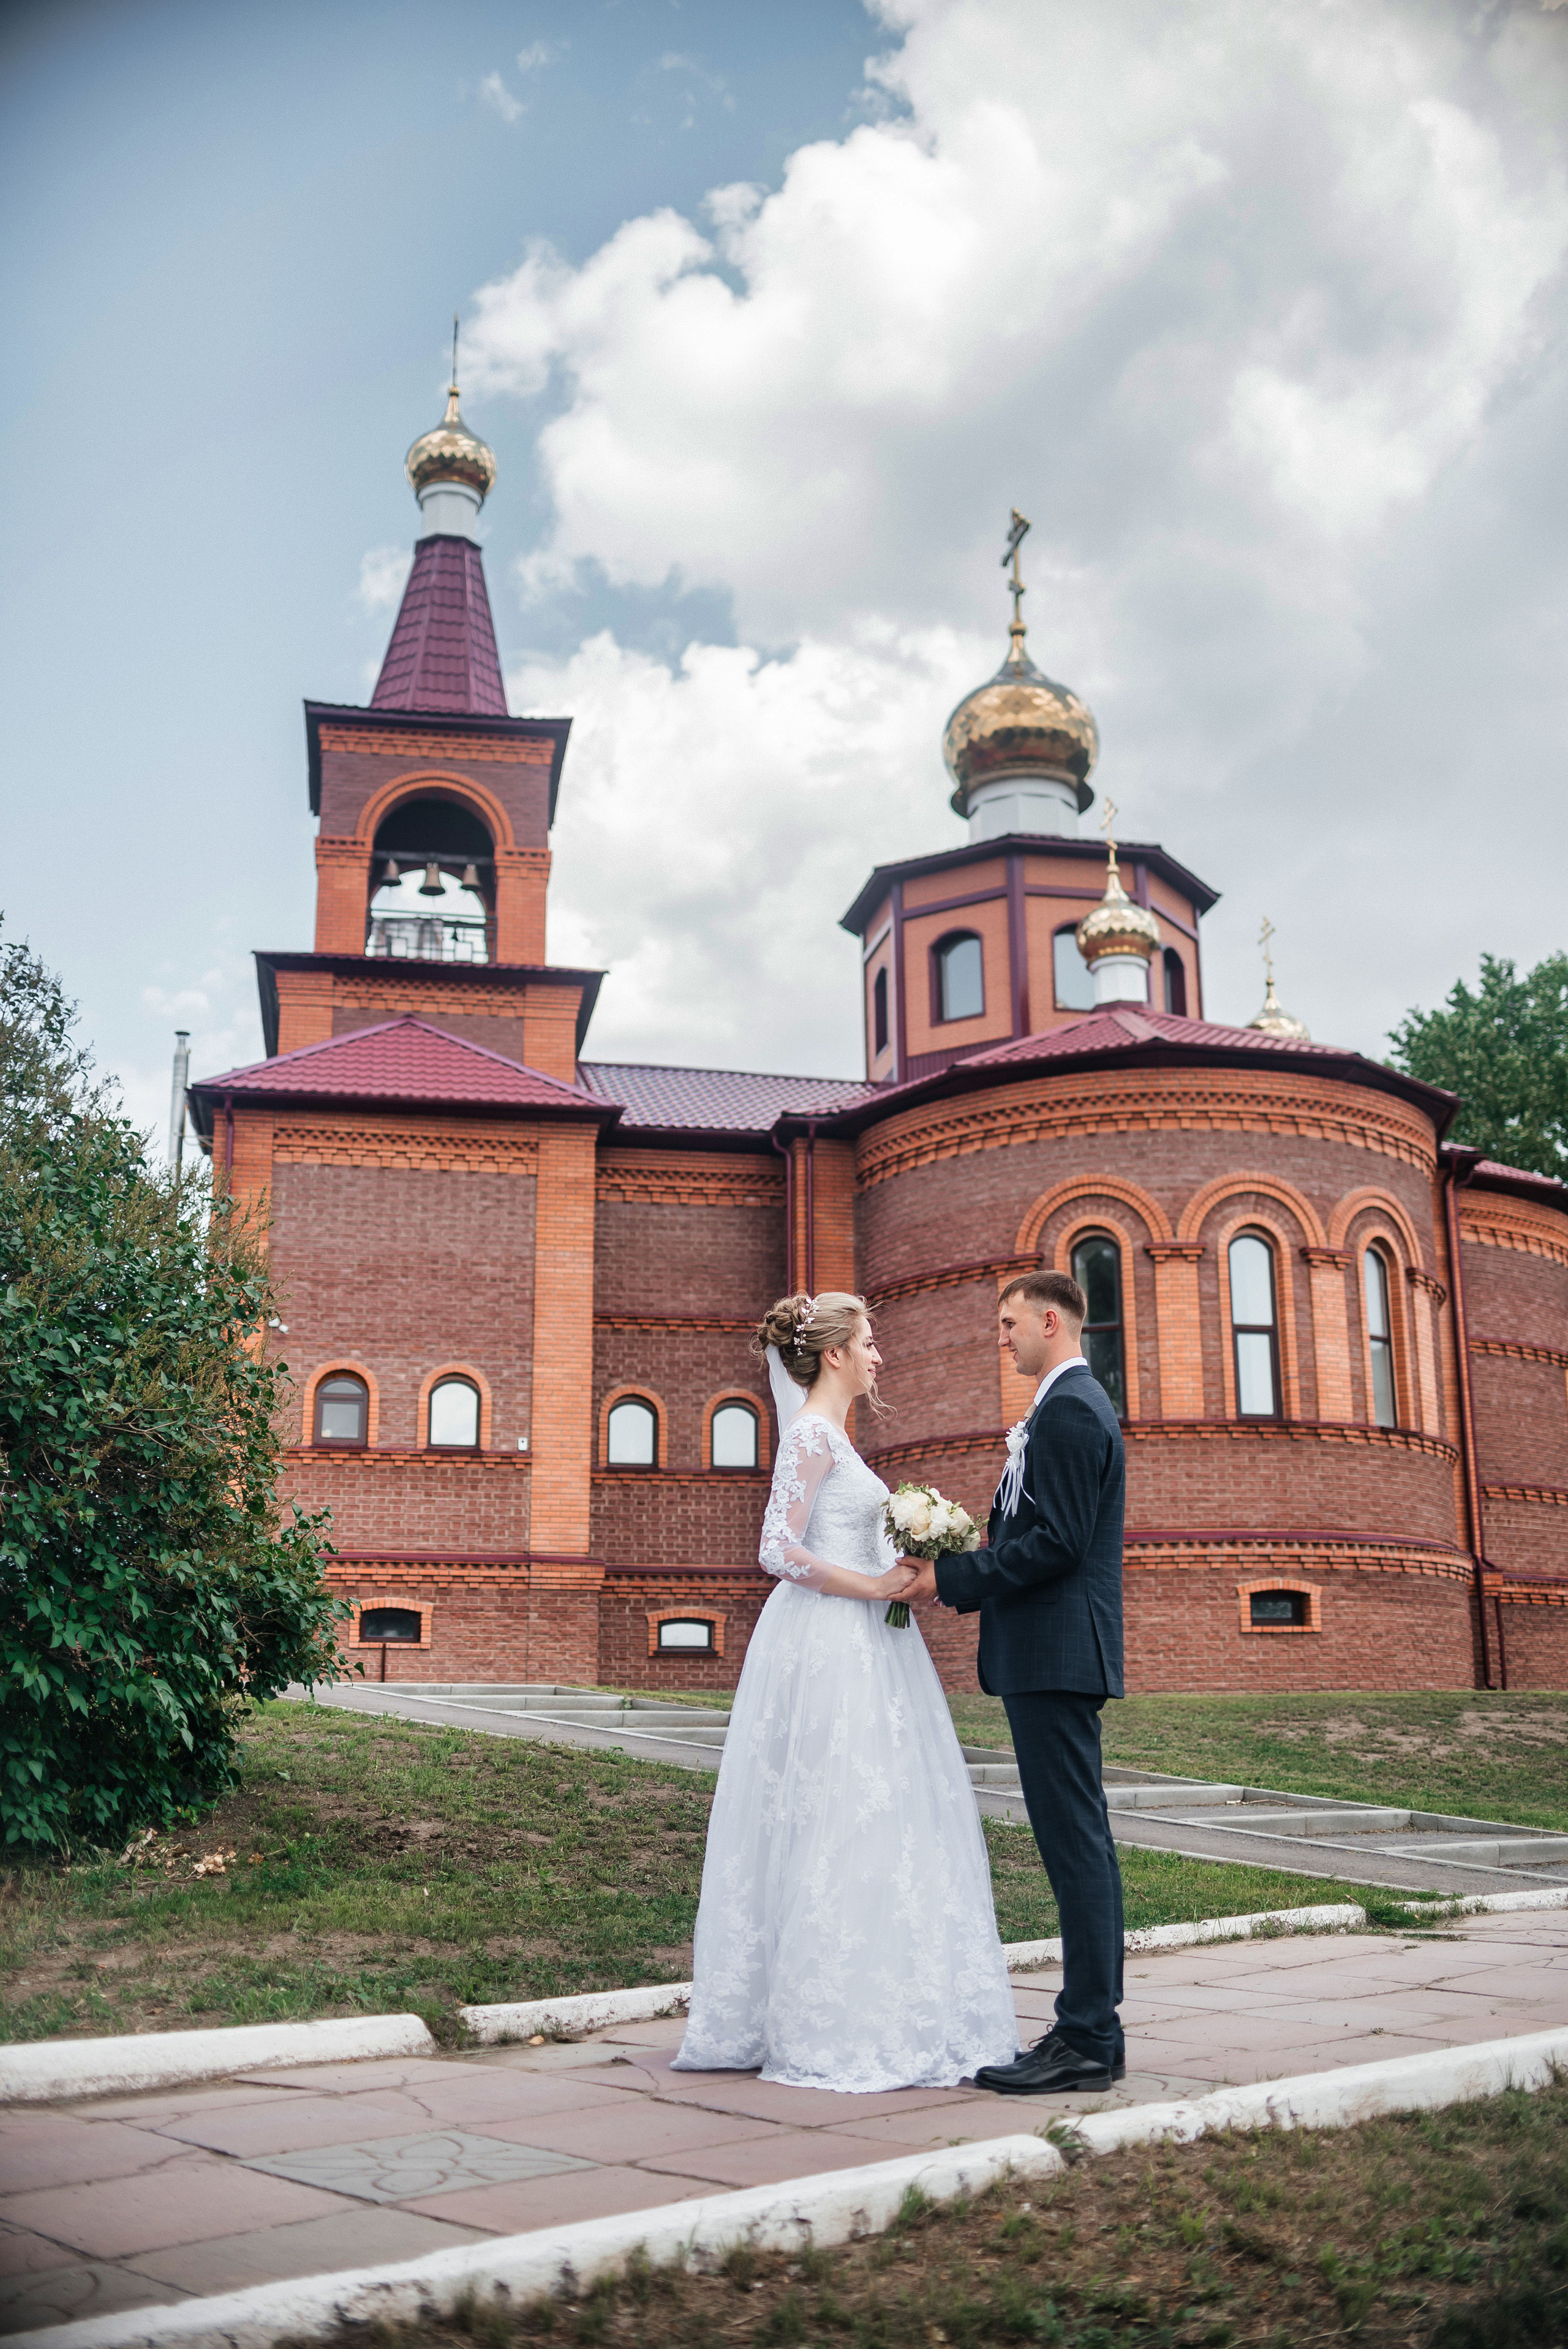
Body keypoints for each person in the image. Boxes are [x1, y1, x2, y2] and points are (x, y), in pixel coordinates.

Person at [671, 1290, 1019, 2094]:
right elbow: (777, 1549)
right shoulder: (811, 1435)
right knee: (838, 1810)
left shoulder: (834, 1437)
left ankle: (877, 2002)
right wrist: (873, 1585)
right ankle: (826, 2021)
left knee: (876, 1812)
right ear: (834, 1354)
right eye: (868, 1342)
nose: (877, 1355)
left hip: (866, 1641)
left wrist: (906, 1566)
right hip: (830, 1641)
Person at [903, 1269, 1127, 2094]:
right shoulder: (1063, 1405)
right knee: (1077, 1841)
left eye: (1009, 1324)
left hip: (1058, 1653)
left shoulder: (1071, 1409)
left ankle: (1087, 2036)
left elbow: (1060, 1543)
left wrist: (953, 1576)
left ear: (1050, 1321)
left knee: (1075, 1844)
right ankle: (1095, 2032)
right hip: (1050, 1653)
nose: (1001, 1338)